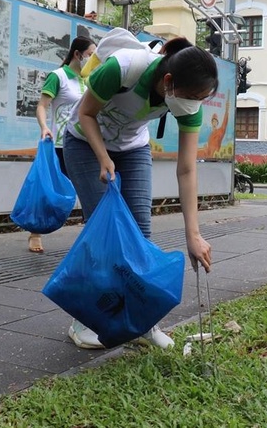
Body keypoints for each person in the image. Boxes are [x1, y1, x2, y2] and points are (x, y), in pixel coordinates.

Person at [63, 37, 218, 349]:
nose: (194, 105)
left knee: (140, 235)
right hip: (84, 142)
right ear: (168, 81)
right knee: (105, 232)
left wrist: (193, 235)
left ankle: (142, 321)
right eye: (192, 97)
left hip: (132, 148)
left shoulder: (190, 107)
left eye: (201, 99)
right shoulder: (124, 67)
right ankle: (84, 320)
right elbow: (86, 114)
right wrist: (103, 157)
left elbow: (187, 169)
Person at [27, 36, 96, 253]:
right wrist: (43, 127)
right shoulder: (58, 76)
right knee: (50, 190)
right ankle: (35, 233)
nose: (93, 59)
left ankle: (92, 239)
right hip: (60, 145)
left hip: (85, 145)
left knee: (91, 191)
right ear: (77, 54)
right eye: (90, 55)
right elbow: (42, 105)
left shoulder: (90, 80)